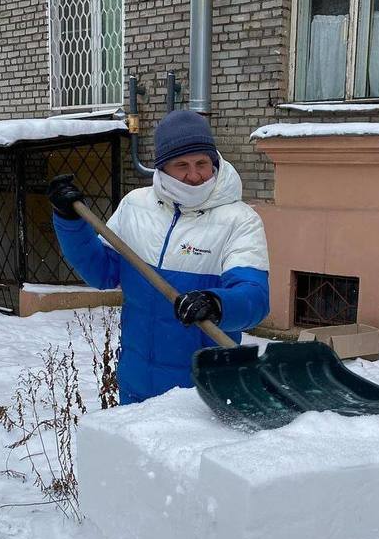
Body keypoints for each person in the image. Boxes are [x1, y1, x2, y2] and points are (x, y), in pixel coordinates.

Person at [47, 110, 270, 405]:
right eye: (182, 165)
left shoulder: (239, 220)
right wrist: (69, 222)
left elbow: (255, 297)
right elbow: (102, 271)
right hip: (135, 383)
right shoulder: (136, 206)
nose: (194, 175)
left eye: (202, 163)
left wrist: (216, 303)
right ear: (162, 167)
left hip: (200, 394)